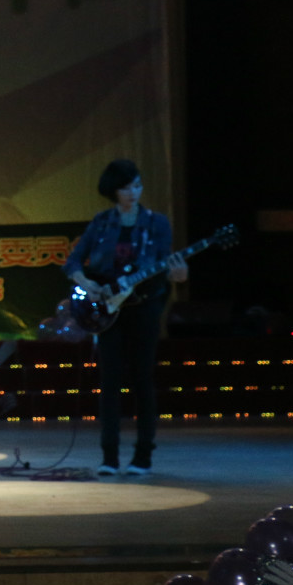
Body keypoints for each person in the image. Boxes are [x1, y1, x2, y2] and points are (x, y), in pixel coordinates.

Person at [63, 158, 187, 476]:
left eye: (138, 185)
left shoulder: (156, 223)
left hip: (144, 308)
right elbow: (73, 262)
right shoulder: (102, 222)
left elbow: (164, 264)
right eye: (127, 187)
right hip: (108, 312)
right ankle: (109, 457)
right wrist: (86, 283)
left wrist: (177, 274)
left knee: (142, 379)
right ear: (114, 191)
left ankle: (143, 456)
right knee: (110, 381)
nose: (134, 192)